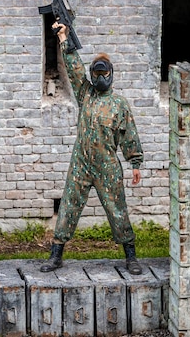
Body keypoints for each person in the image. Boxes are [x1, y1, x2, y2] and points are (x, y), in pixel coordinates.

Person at [40, 22, 144, 275]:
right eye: (95, 75)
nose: (99, 79)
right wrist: (63, 37)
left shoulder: (119, 104)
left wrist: (135, 164)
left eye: (103, 74)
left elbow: (130, 135)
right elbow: (74, 68)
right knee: (68, 207)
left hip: (107, 166)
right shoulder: (85, 94)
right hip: (81, 164)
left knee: (117, 210)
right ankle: (56, 255)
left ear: (111, 74)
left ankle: (130, 256)